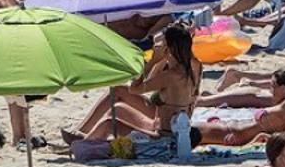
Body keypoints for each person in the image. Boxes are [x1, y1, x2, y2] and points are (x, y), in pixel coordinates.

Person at [65, 24, 201, 142]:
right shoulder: (188, 68)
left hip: (164, 137)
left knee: (108, 123)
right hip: (166, 127)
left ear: (168, 47)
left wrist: (153, 61)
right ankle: (84, 136)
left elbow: (134, 89)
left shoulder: (171, 75)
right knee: (118, 108)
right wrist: (161, 61)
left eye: (161, 43)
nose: (157, 46)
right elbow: (151, 80)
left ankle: (82, 143)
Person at [194, 69, 285, 146]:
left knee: (185, 134)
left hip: (232, 133)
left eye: (273, 86)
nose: (271, 91)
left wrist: (267, 138)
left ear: (284, 89)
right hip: (231, 129)